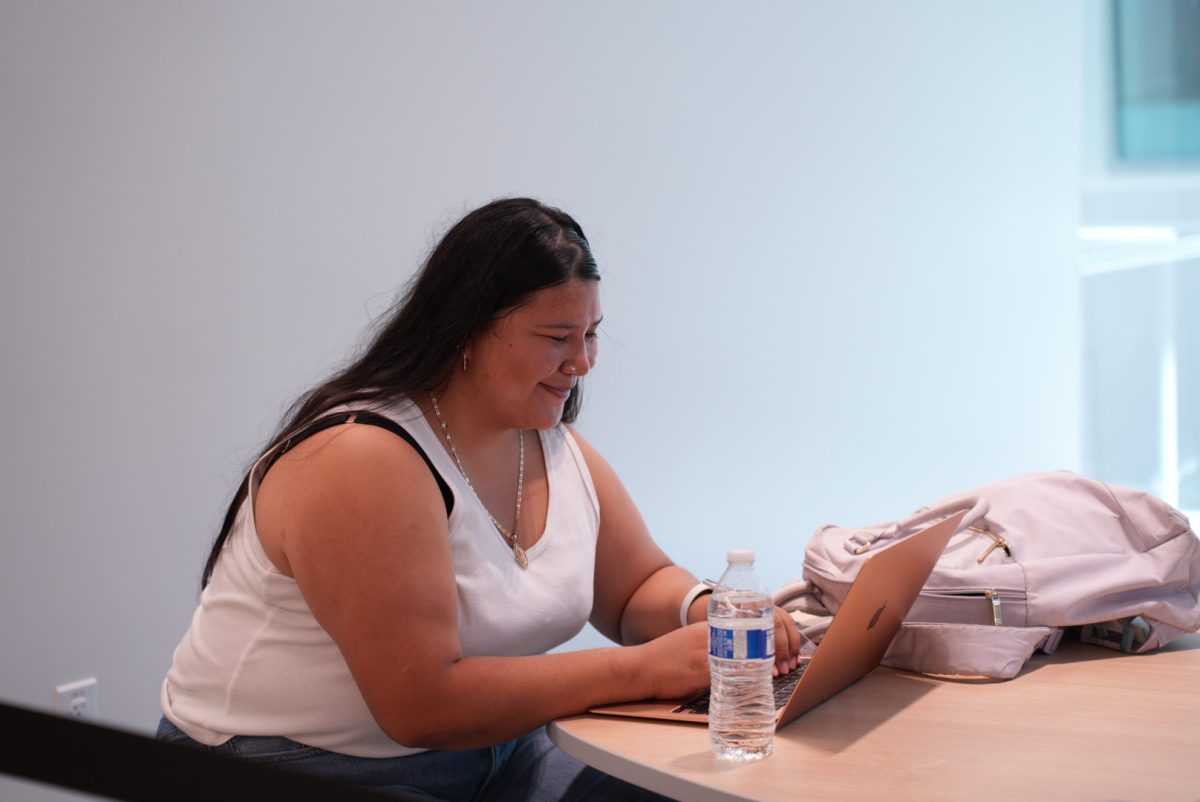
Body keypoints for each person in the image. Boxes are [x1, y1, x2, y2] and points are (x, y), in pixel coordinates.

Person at [158, 197, 803, 800]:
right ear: (466, 329)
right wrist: (647, 670)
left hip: (498, 752)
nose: (582, 363)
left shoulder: (549, 443)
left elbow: (636, 589)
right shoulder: (360, 458)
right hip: (292, 764)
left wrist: (708, 612)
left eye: (591, 334)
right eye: (557, 338)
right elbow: (422, 704)